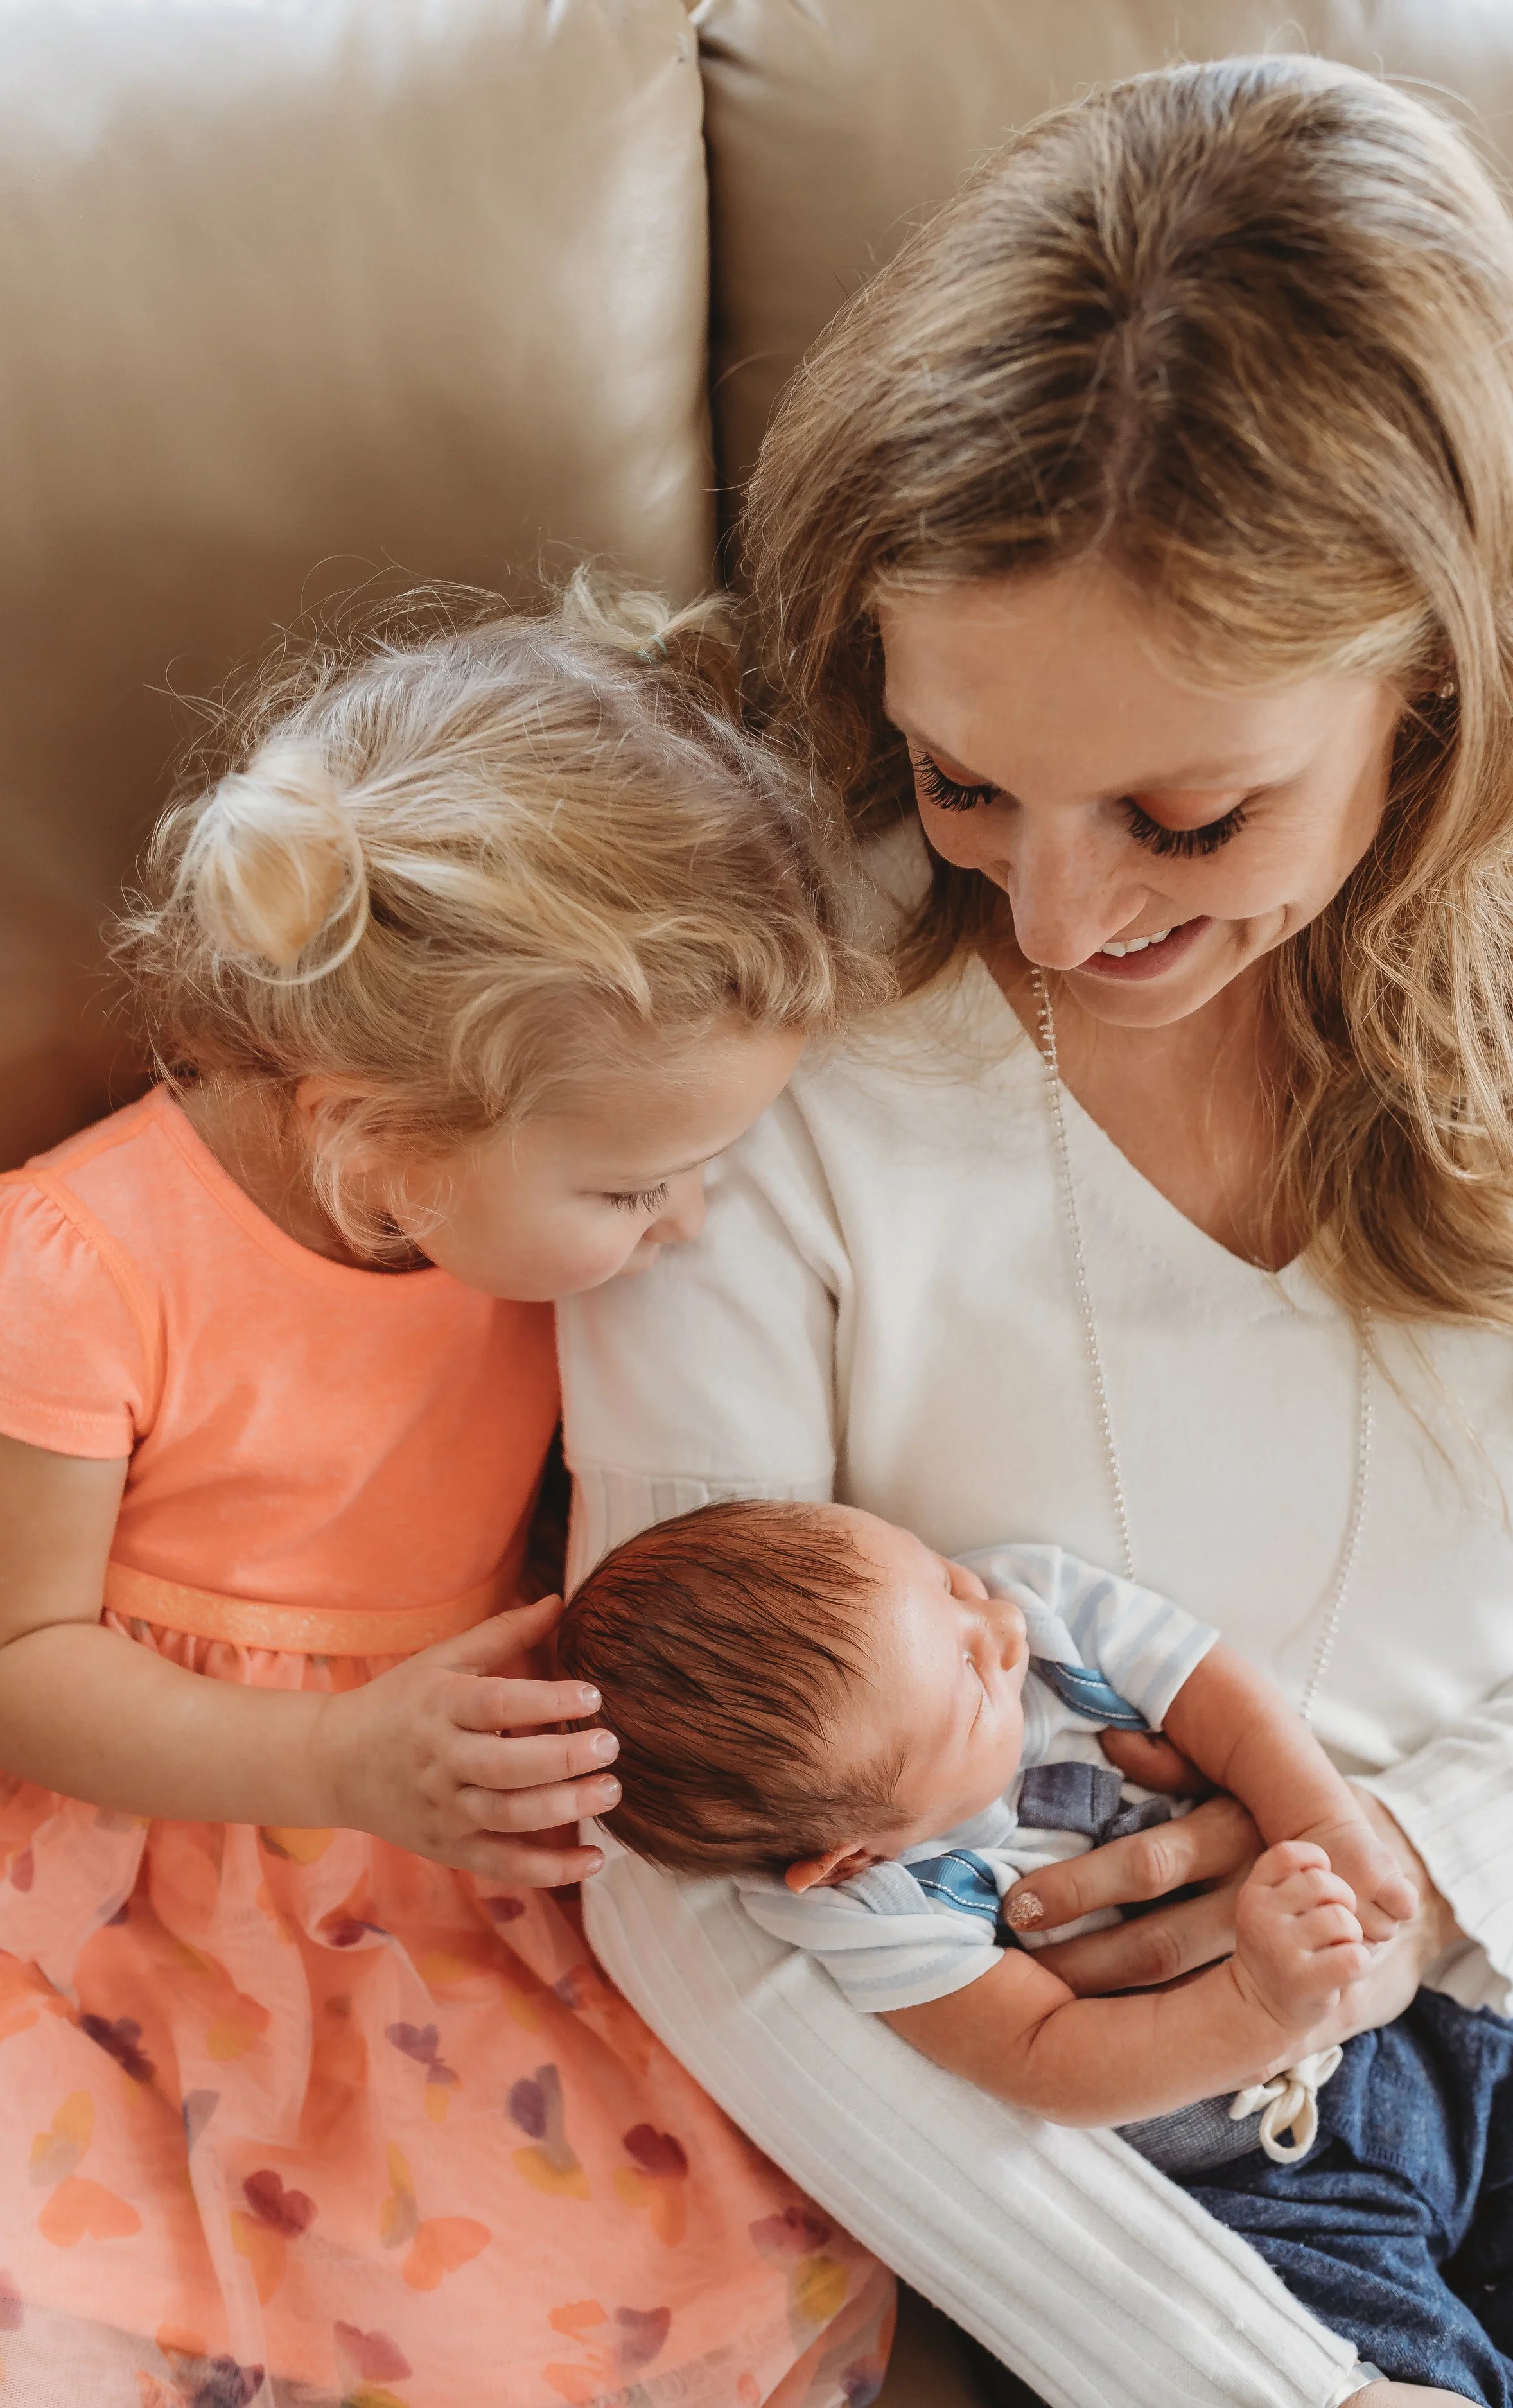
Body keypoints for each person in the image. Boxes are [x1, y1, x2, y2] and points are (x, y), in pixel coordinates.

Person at [555, 55, 1513, 2408]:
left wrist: (1406, 1872)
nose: (1065, 913)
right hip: (1168, 2196)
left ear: (1435, 682)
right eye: (970, 777)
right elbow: (682, 1863)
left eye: (1192, 814)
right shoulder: (766, 1055)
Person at [0, 582, 895, 2407]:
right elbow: (13, 1665)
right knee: (52, 2258)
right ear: (382, 1142)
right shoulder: (80, 1255)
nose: (686, 1226)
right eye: (637, 1187)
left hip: (430, 1823)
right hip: (122, 1813)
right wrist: (325, 1762)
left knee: (548, 2264)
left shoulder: (539, 1225)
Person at [561, 1499, 1513, 2400]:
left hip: (1413, 2044)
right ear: (851, 1854)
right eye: (973, 1683)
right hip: (1252, 2189)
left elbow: (1212, 1687)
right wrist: (1260, 2007)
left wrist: (1322, 1820)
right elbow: (1048, 2059)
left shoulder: (1017, 1600)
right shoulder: (879, 1908)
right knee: (1413, 2374)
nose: (1003, 1627)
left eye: (943, 1581)